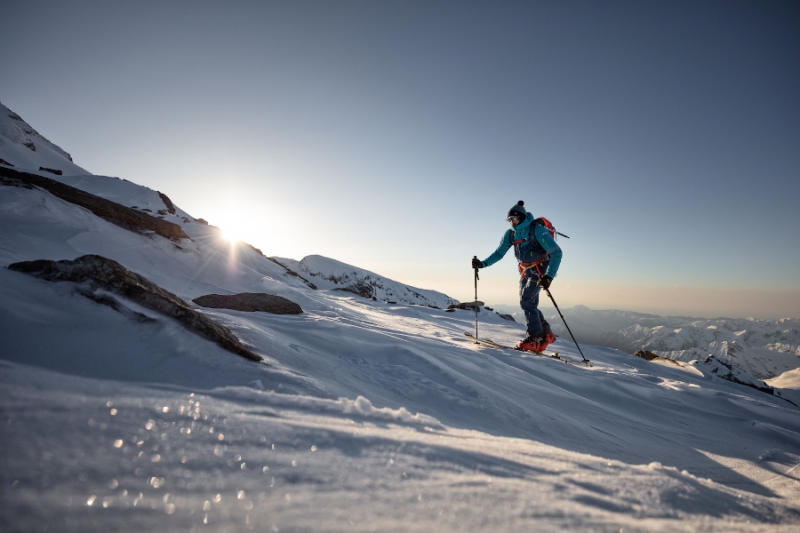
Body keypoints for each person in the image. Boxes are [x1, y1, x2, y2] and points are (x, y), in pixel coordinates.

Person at [472, 200, 562, 353]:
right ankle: (547, 334)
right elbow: (499, 253)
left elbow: (556, 252)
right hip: (525, 270)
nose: (511, 223)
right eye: (509, 220)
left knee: (527, 301)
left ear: (521, 217)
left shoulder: (537, 230)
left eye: (513, 219)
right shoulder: (511, 234)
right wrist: (482, 264)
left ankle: (534, 338)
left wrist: (549, 276)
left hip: (540, 269)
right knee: (528, 302)